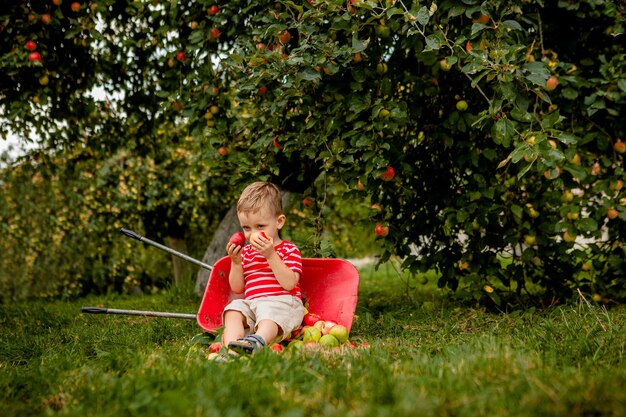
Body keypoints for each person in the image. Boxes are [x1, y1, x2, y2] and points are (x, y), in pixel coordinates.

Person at [221, 181, 304, 355]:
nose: (253, 234)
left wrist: (270, 255)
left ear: (279, 222)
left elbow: (289, 284)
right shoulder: (247, 253)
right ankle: (232, 347)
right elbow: (237, 288)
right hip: (253, 306)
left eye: (260, 226)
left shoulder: (288, 250)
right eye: (246, 228)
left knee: (269, 310)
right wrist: (236, 263)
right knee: (233, 309)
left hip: (283, 305)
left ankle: (257, 341)